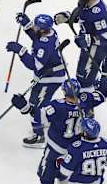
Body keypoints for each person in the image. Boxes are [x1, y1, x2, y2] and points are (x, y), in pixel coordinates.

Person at [12, 78, 83, 184]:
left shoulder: (58, 106)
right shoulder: (85, 106)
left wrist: (25, 107)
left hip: (54, 150)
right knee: (63, 176)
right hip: (72, 152)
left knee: (46, 179)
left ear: (64, 91)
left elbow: (40, 117)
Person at [6, 14, 65, 147]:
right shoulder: (50, 32)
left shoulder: (45, 45)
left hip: (49, 78)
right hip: (51, 74)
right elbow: (36, 36)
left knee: (34, 106)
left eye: (37, 26)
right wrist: (26, 25)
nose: (35, 27)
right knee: (41, 103)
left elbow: (34, 64)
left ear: (43, 30)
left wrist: (21, 51)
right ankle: (44, 119)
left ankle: (39, 137)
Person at [54, 0, 107, 93]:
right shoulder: (86, 2)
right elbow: (81, 15)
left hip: (96, 49)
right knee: (83, 74)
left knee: (84, 79)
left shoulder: (98, 13)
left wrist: (89, 39)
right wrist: (68, 17)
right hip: (88, 45)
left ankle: (87, 106)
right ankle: (93, 82)